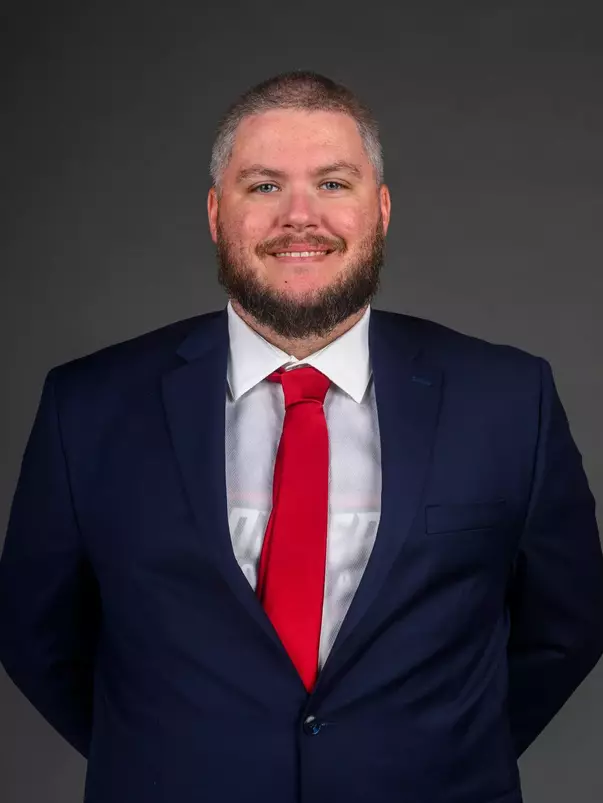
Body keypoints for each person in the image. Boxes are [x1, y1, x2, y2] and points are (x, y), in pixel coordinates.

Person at [1, 70, 602, 803]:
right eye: (262, 186)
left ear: (380, 210)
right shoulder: (87, 404)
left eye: (333, 183)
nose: (299, 216)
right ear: (216, 213)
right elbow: (34, 633)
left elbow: (567, 625)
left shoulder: (508, 399)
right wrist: (159, 751)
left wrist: (443, 751)